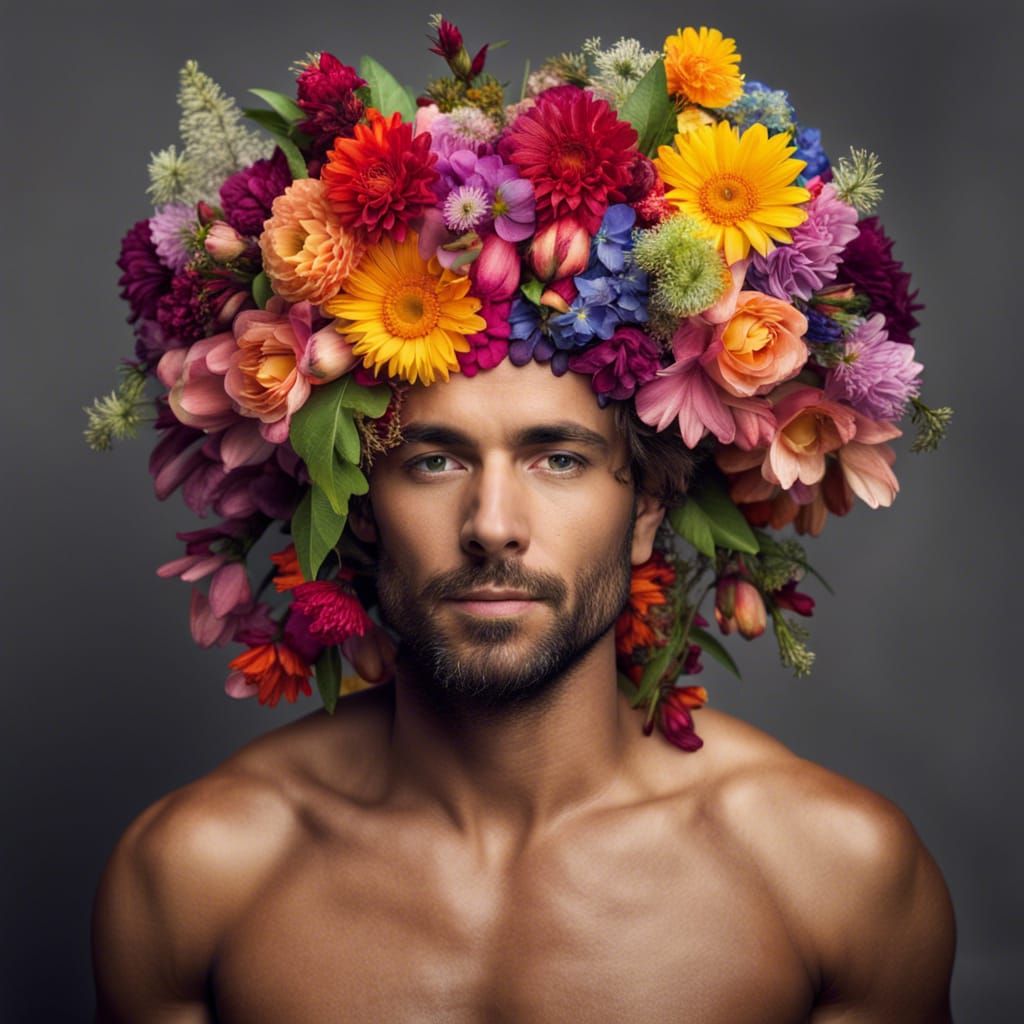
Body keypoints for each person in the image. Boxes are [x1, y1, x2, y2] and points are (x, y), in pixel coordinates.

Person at [92, 358, 955, 1022]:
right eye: (434, 461)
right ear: (358, 511)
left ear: (647, 511)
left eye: (560, 459)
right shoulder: (201, 873)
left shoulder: (829, 873)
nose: (493, 526)